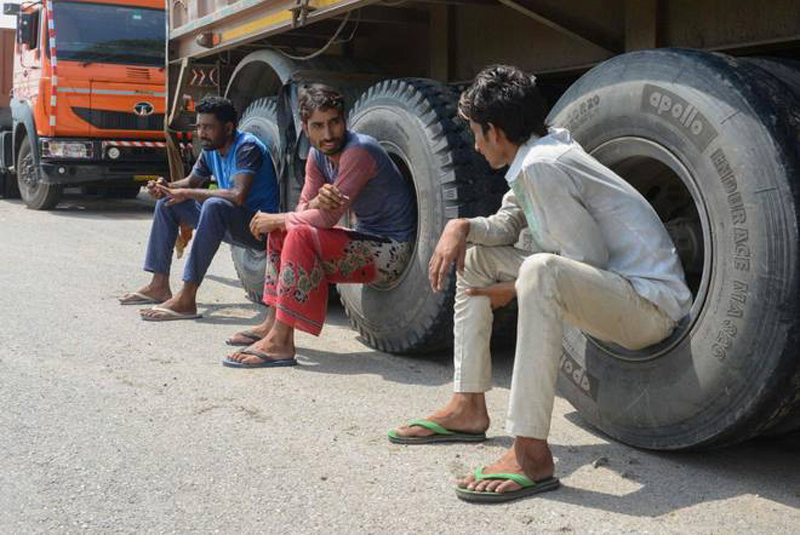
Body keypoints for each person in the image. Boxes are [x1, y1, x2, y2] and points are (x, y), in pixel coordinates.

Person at [389, 65, 692, 503]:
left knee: (539, 270)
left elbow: (586, 260)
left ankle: (530, 454)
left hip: (648, 308)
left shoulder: (544, 165)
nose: (475, 145)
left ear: (495, 131)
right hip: (615, 292)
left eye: (476, 133)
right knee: (474, 258)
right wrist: (460, 226)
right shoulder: (536, 155)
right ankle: (468, 406)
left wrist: (513, 290)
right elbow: (507, 224)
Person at [222, 84, 416, 368]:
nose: (328, 134)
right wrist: (313, 203)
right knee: (282, 232)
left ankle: (280, 342)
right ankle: (272, 323)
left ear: (344, 120)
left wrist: (280, 217)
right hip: (366, 241)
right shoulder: (317, 156)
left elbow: (326, 219)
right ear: (305, 127)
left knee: (296, 232)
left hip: (392, 251)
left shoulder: (358, 151)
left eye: (334, 122)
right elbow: (305, 208)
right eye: (318, 125)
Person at [119, 95, 279, 320]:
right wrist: (166, 187)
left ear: (228, 128)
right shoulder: (211, 148)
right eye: (199, 127)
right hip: (227, 221)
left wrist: (185, 193)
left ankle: (187, 298)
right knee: (167, 202)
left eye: (208, 127)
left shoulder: (247, 147)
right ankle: (159, 285)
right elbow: (190, 182)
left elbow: (238, 195)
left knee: (214, 205)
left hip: (258, 229)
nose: (201, 133)